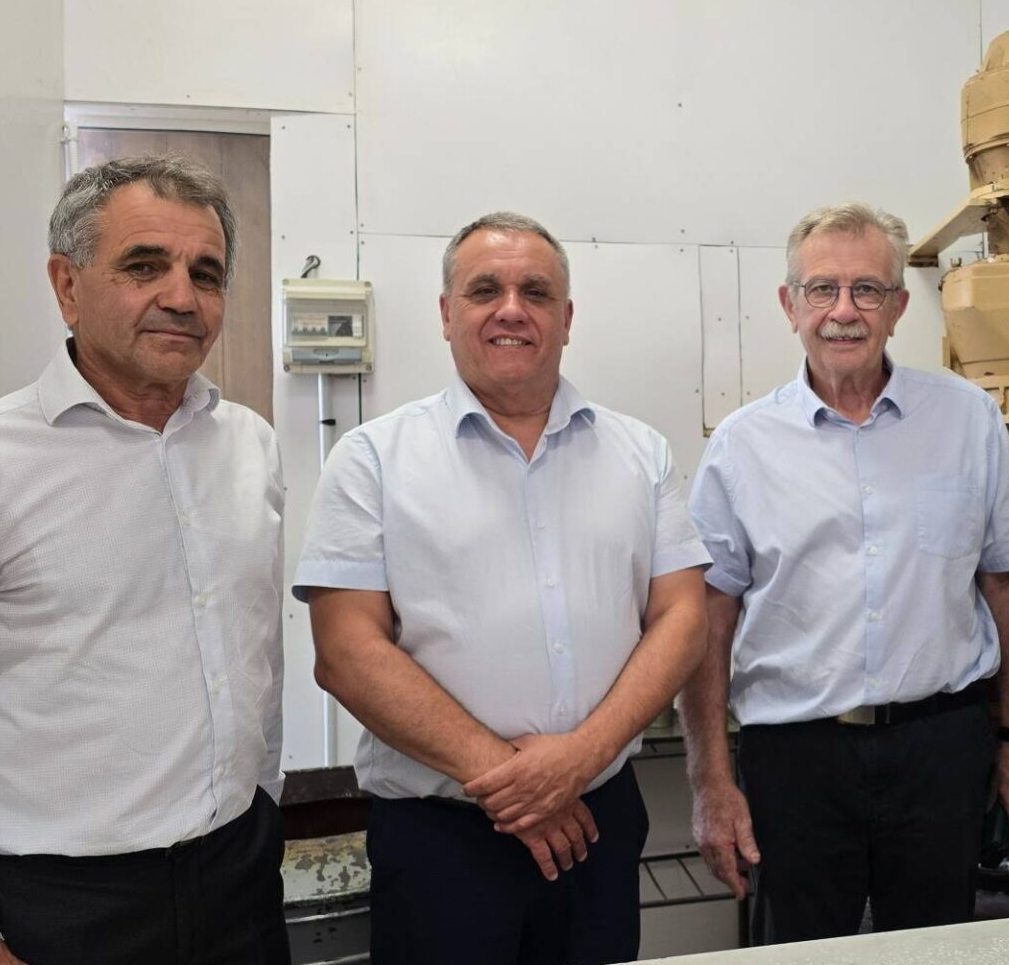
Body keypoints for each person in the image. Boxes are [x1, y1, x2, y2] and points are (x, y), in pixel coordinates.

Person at [0, 155, 288, 965]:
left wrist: (261, 803)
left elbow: (256, 664)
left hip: (239, 881)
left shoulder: (250, 448)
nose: (182, 297)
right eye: (144, 266)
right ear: (66, 282)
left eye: (207, 273)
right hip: (59, 911)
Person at [297, 212, 708, 964]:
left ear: (567, 318)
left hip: (598, 821)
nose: (511, 308)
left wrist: (578, 761)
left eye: (536, 291)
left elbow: (682, 616)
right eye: (485, 289)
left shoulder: (639, 452)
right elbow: (346, 652)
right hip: (440, 838)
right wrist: (515, 784)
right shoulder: (372, 460)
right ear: (447, 313)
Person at [682, 202, 1009, 943]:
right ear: (790, 305)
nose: (844, 311)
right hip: (795, 760)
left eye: (867, 290)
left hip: (939, 749)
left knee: (940, 950)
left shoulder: (968, 419)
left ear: (899, 306)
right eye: (822, 290)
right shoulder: (742, 448)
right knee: (804, 956)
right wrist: (712, 780)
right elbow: (706, 622)